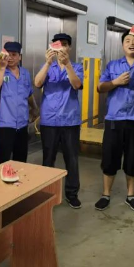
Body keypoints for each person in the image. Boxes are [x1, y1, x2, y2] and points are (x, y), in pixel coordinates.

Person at [95, 32, 134, 212]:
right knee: (110, 158)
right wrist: (115, 82)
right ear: (122, 45)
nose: (131, 43)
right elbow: (100, 87)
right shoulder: (113, 65)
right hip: (114, 119)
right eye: (127, 41)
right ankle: (105, 194)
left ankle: (131, 196)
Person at [34, 33, 84, 209]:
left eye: (64, 44)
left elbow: (77, 85)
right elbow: (37, 83)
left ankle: (72, 194)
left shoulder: (77, 67)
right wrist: (48, 63)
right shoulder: (48, 66)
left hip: (70, 121)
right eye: (57, 44)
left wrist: (67, 64)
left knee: (72, 159)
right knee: (48, 158)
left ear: (69, 47)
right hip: (49, 121)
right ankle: (46, 192)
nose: (61, 47)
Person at [0, 41, 39, 166]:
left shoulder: (25, 73)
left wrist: (34, 108)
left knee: (21, 159)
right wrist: (2, 67)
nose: (10, 58)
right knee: (2, 159)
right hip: (5, 124)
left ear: (19, 57)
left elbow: (29, 93)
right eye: (8, 55)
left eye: (14, 55)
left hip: (22, 123)